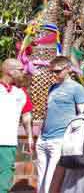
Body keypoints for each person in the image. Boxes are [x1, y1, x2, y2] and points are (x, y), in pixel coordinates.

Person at [36, 56, 84, 193]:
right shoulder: (53, 87)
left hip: (60, 139)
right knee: (40, 182)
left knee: (51, 182)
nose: (54, 74)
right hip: (44, 138)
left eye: (58, 71)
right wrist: (41, 134)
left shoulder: (77, 88)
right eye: (53, 71)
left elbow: (81, 116)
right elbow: (48, 110)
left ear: (68, 69)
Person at [0, 59, 34, 193]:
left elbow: (26, 116)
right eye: (20, 69)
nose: (23, 72)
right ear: (10, 71)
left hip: (8, 143)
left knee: (4, 180)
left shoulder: (21, 93)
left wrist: (30, 137)